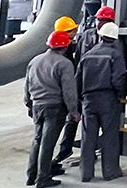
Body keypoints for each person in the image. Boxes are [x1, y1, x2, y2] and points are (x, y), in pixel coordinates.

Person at [25, 30, 80, 188]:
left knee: (37, 140)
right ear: (65, 46)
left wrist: (29, 104)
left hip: (37, 105)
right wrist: (74, 111)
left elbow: (27, 86)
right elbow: (69, 92)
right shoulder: (64, 64)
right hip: (55, 108)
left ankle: (31, 175)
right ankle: (43, 178)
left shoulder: (35, 60)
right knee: (47, 144)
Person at [76, 21, 127, 182]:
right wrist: (122, 95)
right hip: (108, 100)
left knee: (88, 137)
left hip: (88, 101)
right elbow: (118, 79)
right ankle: (110, 172)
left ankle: (86, 173)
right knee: (109, 136)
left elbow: (77, 80)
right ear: (115, 38)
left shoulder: (88, 55)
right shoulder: (115, 55)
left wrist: (81, 99)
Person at [51, 16, 81, 170]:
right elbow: (67, 84)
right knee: (50, 135)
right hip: (59, 99)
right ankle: (47, 167)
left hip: (55, 99)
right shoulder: (62, 56)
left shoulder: (64, 49)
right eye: (73, 30)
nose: (76, 32)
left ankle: (64, 151)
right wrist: (72, 107)